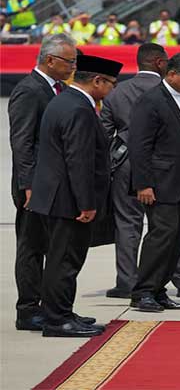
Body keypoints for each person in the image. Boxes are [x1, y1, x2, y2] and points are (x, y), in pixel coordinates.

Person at [28, 54, 122, 337]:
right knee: (65, 260)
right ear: (97, 81)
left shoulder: (65, 100)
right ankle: (58, 320)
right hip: (69, 200)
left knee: (61, 258)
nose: (112, 90)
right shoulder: (79, 109)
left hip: (57, 195)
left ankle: (60, 311)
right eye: (111, 84)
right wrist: (86, 203)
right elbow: (78, 160)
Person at [128, 53, 180, 312]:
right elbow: (139, 146)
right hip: (160, 182)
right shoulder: (151, 101)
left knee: (177, 237)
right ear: (172, 74)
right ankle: (143, 292)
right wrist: (143, 184)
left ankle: (159, 289)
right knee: (161, 236)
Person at [8, 34, 77, 331]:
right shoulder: (29, 91)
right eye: (69, 61)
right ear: (50, 60)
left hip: (54, 184)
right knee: (32, 247)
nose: (73, 67)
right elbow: (21, 142)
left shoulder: (58, 89)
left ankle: (53, 307)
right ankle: (28, 309)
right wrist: (28, 185)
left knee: (54, 247)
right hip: (35, 186)